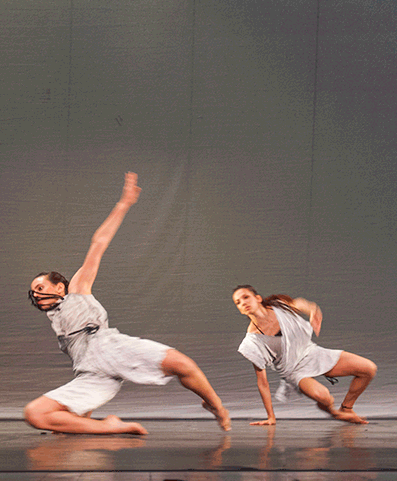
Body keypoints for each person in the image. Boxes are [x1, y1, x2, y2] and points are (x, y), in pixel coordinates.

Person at [24, 172, 231, 435]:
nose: (37, 295)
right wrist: (78, 413)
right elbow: (84, 354)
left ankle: (216, 406)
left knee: (184, 366)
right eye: (34, 292)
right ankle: (110, 426)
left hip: (112, 348)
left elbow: (98, 243)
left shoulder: (76, 290)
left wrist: (123, 204)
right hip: (90, 373)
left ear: (59, 286)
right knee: (34, 413)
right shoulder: (55, 316)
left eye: (41, 288)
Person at [232, 285, 377, 425]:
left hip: (312, 352)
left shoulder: (280, 307)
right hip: (294, 370)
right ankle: (333, 412)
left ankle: (346, 408)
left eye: (246, 297)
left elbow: (300, 303)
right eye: (238, 302)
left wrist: (313, 311)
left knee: (368, 369)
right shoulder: (252, 341)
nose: (243, 302)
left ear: (258, 298)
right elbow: (262, 382)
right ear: (239, 310)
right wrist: (271, 417)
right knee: (325, 398)